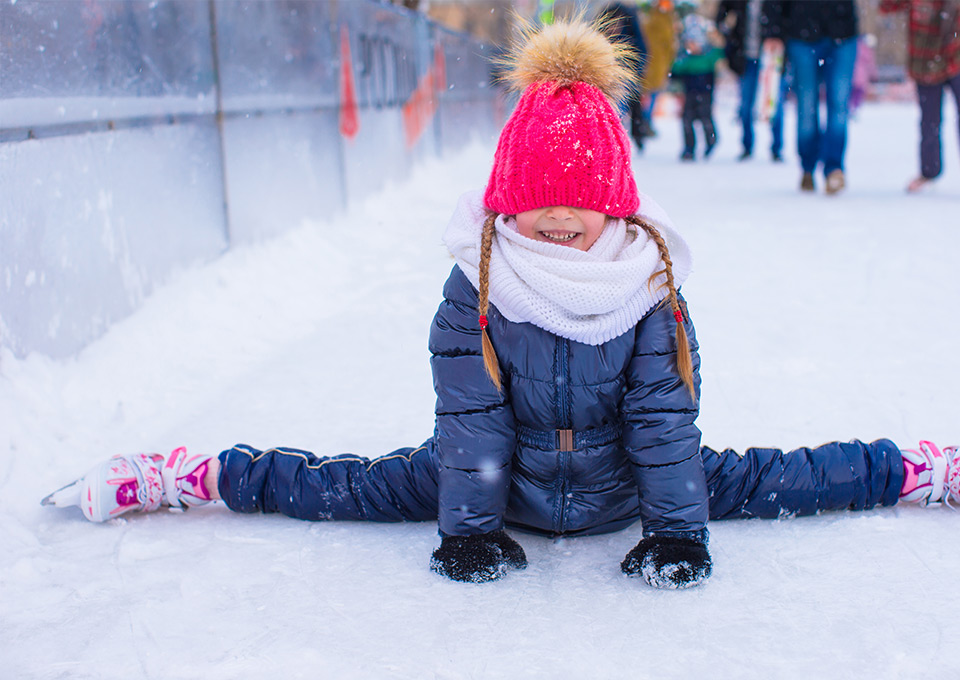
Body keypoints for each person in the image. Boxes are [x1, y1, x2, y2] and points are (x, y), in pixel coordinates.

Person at [42, 19, 960, 590]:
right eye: (539, 222)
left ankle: (912, 469)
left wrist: (677, 529)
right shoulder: (477, 283)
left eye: (579, 223)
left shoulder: (648, 284)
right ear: (504, 209)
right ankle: (196, 476)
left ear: (616, 211)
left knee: (778, 478)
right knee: (345, 484)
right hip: (497, 481)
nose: (559, 237)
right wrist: (471, 530)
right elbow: (473, 415)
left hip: (628, 481)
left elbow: (663, 417)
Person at [879, 0, 960, 193]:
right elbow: (887, 6)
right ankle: (929, 171)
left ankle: (929, 171)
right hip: (926, 58)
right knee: (929, 120)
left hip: (956, 54)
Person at [781, 0, 859, 194]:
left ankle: (834, 168)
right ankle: (808, 166)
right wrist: (773, 32)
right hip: (802, 34)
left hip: (842, 34)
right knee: (806, 107)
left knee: (839, 105)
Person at [716, 0, 785, 161]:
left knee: (774, 103)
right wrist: (727, 31)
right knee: (746, 103)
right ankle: (747, 145)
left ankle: (777, 147)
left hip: (772, 58)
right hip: (746, 58)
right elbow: (722, 14)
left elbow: (787, 20)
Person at [671, 14, 724, 161]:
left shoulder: (708, 57)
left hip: (705, 94)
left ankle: (711, 141)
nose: (692, 46)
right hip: (690, 94)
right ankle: (689, 148)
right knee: (687, 120)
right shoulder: (685, 59)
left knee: (705, 118)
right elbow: (675, 70)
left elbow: (720, 53)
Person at [600, 2, 650, 151]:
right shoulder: (607, 18)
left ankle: (637, 135)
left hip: (629, 72)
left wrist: (638, 70)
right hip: (610, 74)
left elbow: (641, 49)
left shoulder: (630, 23)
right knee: (616, 109)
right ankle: (615, 138)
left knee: (633, 107)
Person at [638, 0, 679, 137]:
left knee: (647, 93)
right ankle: (644, 121)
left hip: (650, 60)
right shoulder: (662, 19)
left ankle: (643, 122)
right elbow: (669, 43)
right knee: (651, 93)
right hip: (657, 61)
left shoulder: (651, 17)